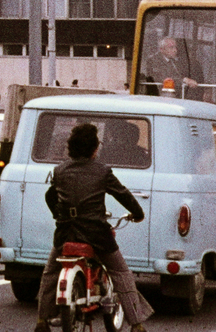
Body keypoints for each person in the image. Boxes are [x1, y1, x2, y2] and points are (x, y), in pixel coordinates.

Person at [34, 122, 152, 332]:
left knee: (50, 272)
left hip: (65, 233)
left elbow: (50, 196)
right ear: (94, 148)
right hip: (96, 234)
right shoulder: (102, 172)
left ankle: (42, 321)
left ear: (71, 147)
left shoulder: (60, 170)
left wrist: (58, 216)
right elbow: (122, 194)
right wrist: (138, 213)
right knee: (121, 272)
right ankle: (136, 324)